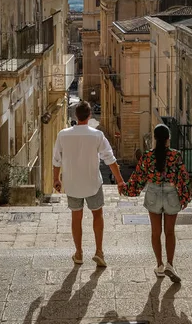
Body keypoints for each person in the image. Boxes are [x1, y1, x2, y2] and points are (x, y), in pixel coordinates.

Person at [53, 100, 124, 267]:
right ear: (89, 115)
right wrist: (120, 181)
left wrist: (56, 179)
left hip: (72, 184)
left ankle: (78, 253)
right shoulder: (97, 135)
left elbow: (56, 160)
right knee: (97, 215)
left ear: (75, 116)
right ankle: (99, 252)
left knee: (76, 218)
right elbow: (110, 160)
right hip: (93, 183)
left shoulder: (63, 135)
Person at [120, 123, 192, 283]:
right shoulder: (175, 155)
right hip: (171, 194)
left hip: (153, 194)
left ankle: (159, 265)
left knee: (155, 232)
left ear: (155, 138)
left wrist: (126, 189)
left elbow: (139, 177)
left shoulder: (147, 156)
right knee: (170, 232)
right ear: (168, 139)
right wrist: (185, 196)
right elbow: (184, 177)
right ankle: (170, 265)